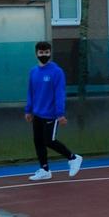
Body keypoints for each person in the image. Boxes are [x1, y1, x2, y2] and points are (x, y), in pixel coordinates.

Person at [23, 41, 82, 181]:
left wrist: (60, 113)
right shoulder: (33, 71)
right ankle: (44, 170)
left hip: (51, 114)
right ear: (36, 53)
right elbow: (31, 92)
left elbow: (59, 94)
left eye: (47, 52)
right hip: (37, 113)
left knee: (49, 140)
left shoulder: (57, 72)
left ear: (50, 53)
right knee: (38, 141)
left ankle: (73, 158)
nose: (44, 55)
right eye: (41, 52)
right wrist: (28, 110)